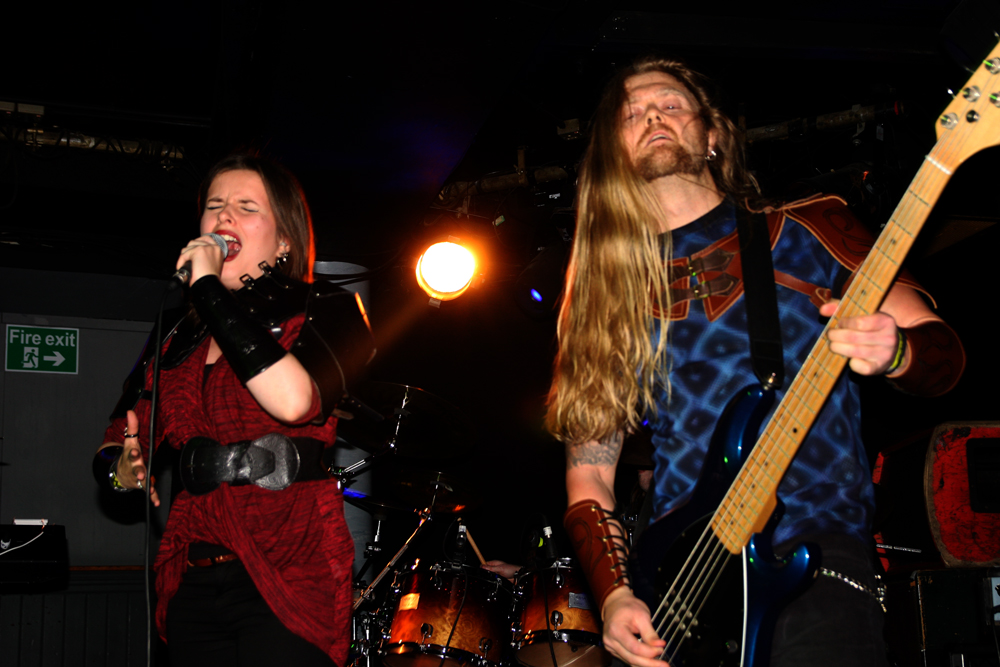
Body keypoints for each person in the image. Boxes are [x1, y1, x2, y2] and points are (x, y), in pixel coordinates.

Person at [546, 57, 965, 667]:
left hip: (816, 552)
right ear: (614, 152)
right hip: (682, 588)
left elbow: (943, 357)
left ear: (713, 133)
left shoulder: (811, 228)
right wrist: (614, 597)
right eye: (631, 115)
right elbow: (590, 478)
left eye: (670, 103)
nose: (653, 117)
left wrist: (897, 351)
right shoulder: (605, 293)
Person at [92, 154, 374, 666]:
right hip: (193, 570)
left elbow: (294, 402)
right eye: (215, 205)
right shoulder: (177, 334)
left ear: (284, 239)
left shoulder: (325, 307)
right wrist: (121, 469)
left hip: (291, 567)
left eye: (246, 207)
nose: (224, 215)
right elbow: (119, 434)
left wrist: (207, 288)